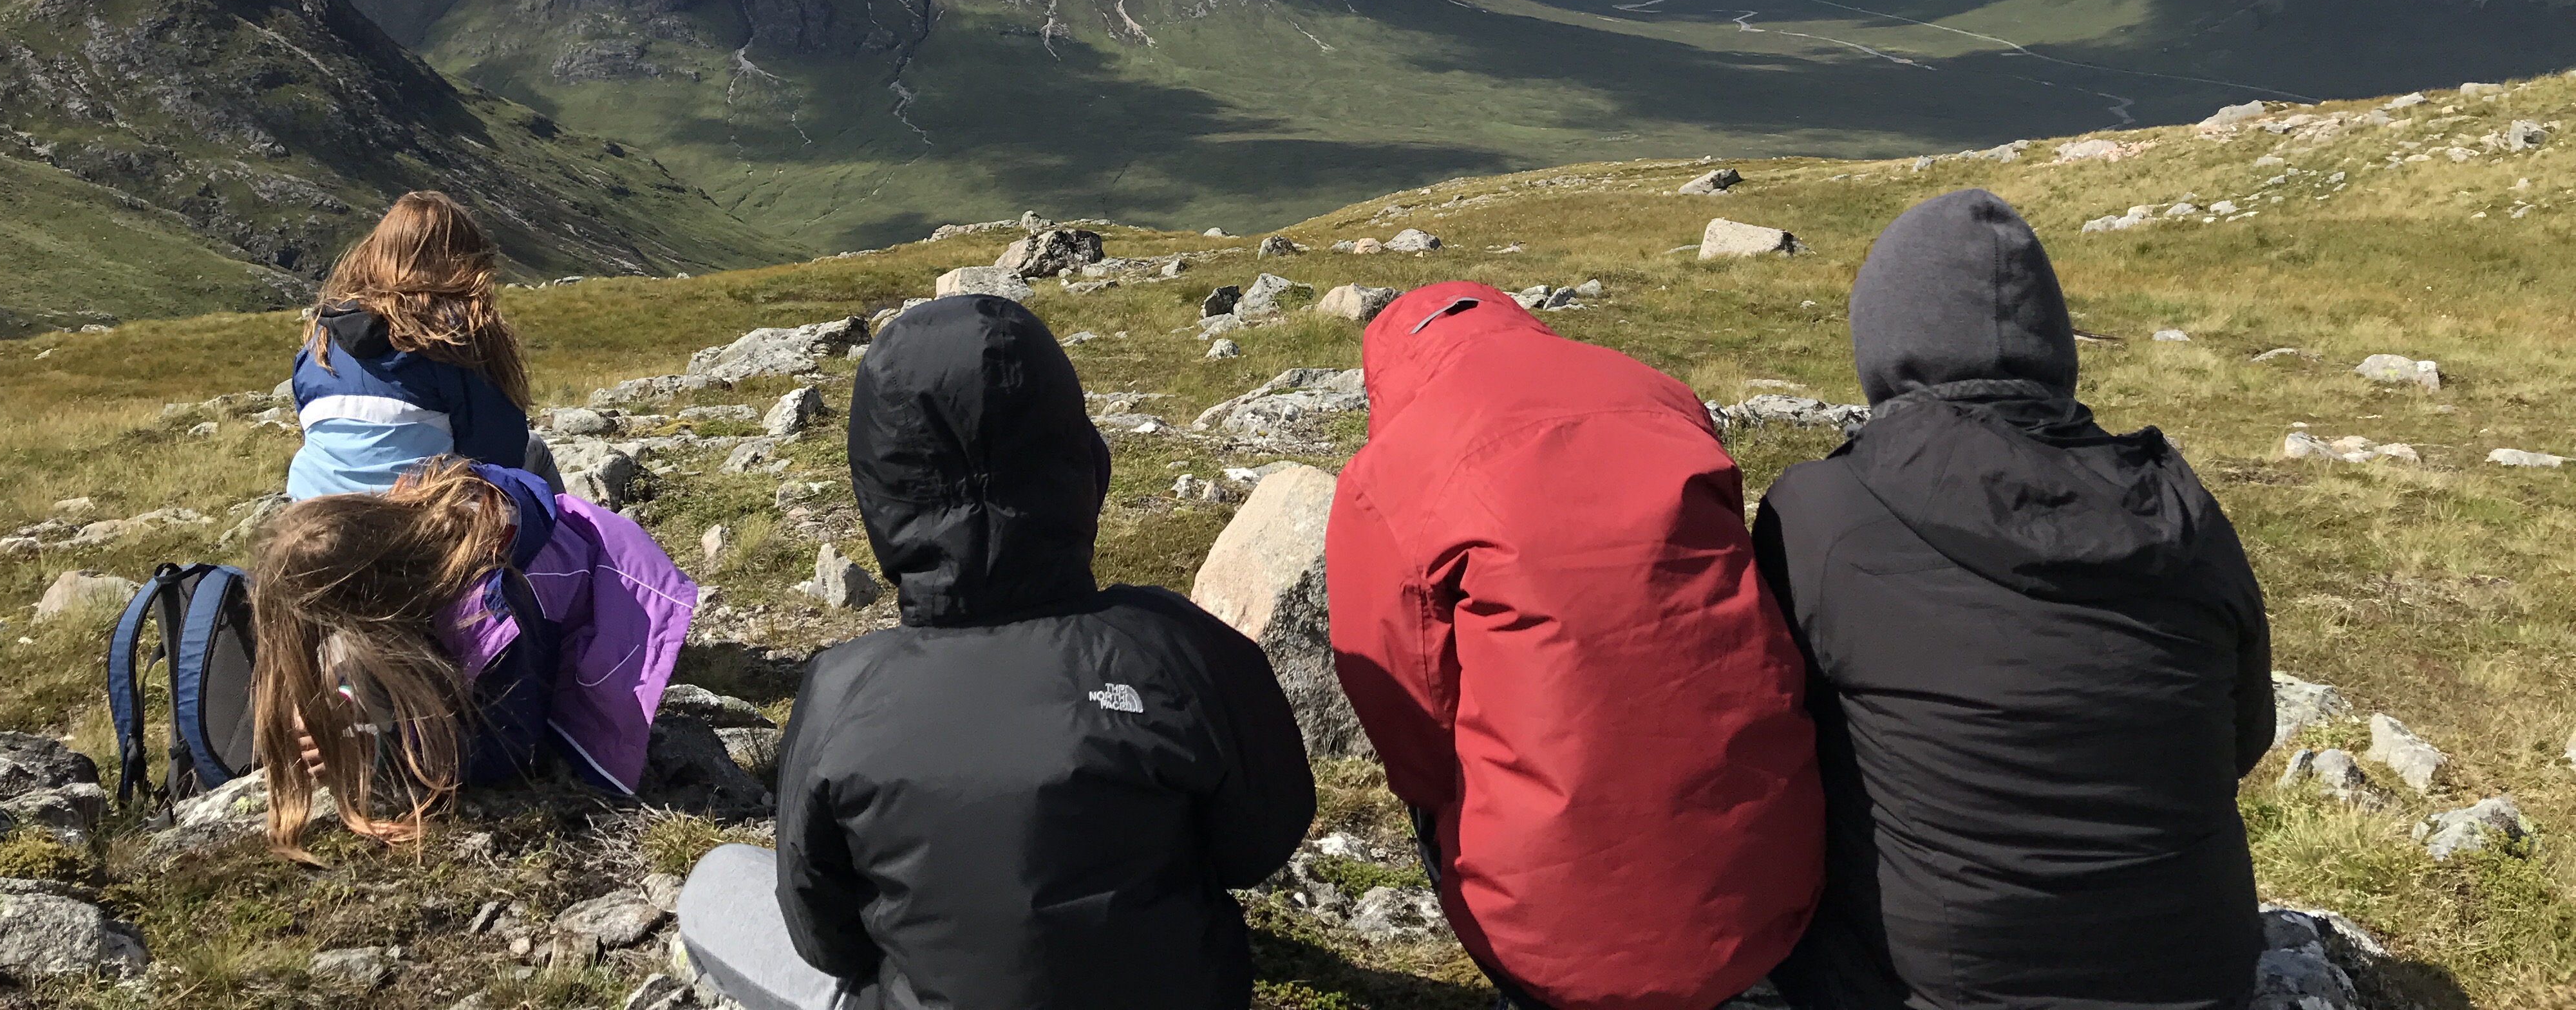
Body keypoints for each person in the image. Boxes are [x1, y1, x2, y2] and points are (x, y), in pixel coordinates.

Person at [678, 294, 1315, 1010]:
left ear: (880, 493)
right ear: (1082, 462)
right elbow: (1263, 840)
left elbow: (823, 936)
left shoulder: (841, 691)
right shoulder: (1176, 647)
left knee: (716, 885)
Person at [1752, 189, 2273, 1010]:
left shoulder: (1822, 514)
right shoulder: (2181, 511)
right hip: (2203, 983)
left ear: (1882, 343)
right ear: (2052, 344)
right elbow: (2244, 737)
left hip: (1930, 990)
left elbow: (1767, 754)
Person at [1326, 281, 1825, 1010]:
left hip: (1549, 943)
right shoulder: (1662, 396)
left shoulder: (1387, 473)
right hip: (1769, 890)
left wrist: (1459, 802)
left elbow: (1410, 722)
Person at [249, 456, 695, 854]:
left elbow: (508, 749)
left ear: (374, 612)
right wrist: (336, 702)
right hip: (527, 591)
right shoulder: (394, 548)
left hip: (615, 609)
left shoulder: (491, 617)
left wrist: (380, 750)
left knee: (571, 731)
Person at [285, 191, 536, 499]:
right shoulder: (453, 340)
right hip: (413, 519)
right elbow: (500, 456)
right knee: (535, 456)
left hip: (312, 515)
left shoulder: (320, 343)